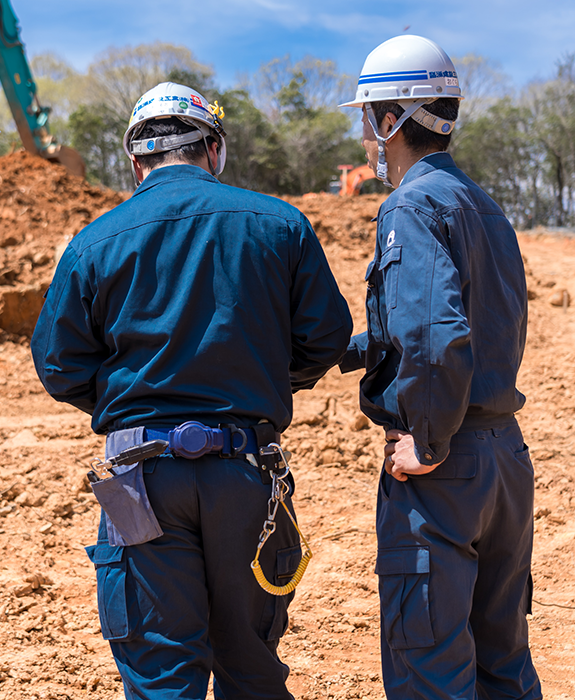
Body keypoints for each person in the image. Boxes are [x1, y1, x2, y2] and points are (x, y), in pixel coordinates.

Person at [31, 82, 352, 700]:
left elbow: (58, 364)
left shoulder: (95, 241)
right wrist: (255, 379)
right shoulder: (280, 224)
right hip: (246, 471)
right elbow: (326, 340)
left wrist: (132, 401)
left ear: (135, 160)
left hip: (140, 480)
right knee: (251, 671)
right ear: (213, 148)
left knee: (160, 678)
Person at [339, 35, 542, 700]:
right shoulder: (483, 206)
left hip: (443, 466)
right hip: (503, 460)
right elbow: (477, 324)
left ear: (391, 119)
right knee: (501, 663)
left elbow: (433, 332)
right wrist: (350, 350)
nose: (366, 130)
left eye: (369, 114)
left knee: (429, 670)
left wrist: (424, 439)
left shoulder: (409, 205)